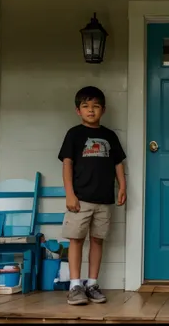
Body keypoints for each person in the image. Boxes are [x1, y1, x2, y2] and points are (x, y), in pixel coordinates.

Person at [58, 86, 127, 306]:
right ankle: (75, 285)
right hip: (80, 199)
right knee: (76, 239)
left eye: (96, 106)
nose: (91, 110)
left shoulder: (109, 136)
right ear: (78, 111)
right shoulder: (74, 134)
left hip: (104, 199)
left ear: (103, 110)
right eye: (86, 106)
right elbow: (67, 164)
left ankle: (92, 283)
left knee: (98, 240)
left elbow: (118, 163)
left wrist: (123, 186)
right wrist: (69, 193)